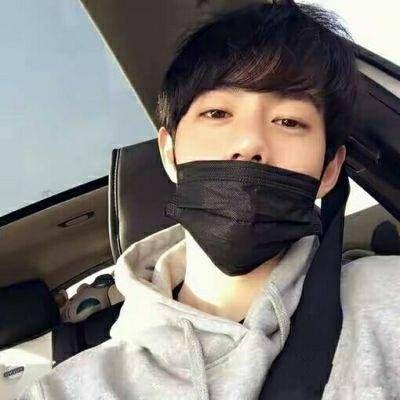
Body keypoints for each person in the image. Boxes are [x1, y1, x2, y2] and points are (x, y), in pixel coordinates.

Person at [20, 1, 400, 399]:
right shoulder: (65, 391)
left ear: (329, 171)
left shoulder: (388, 303)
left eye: (289, 121)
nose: (249, 142)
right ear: (169, 152)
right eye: (218, 113)